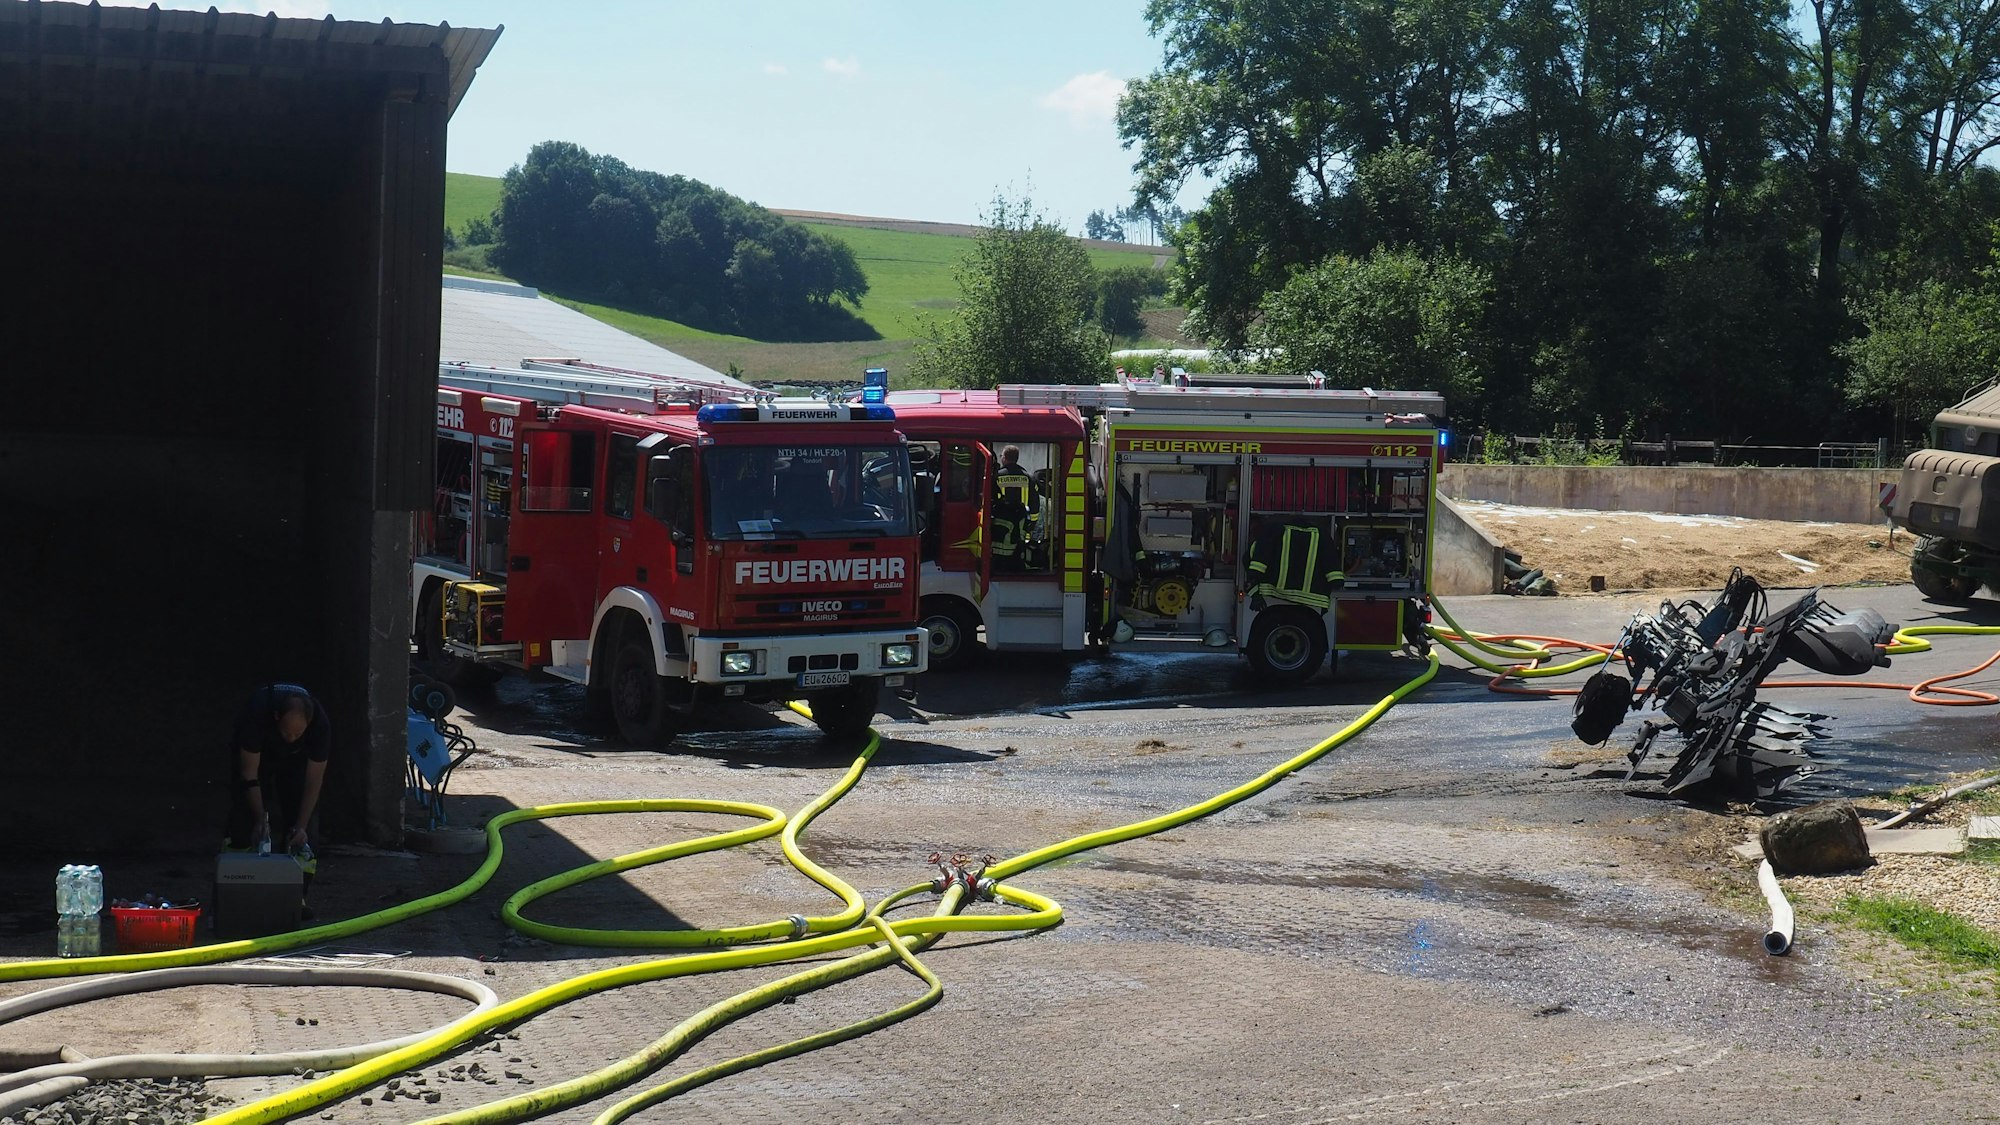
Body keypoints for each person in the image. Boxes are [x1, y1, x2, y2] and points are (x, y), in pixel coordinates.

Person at [226, 683, 329, 909]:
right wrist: (259, 818)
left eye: (297, 733)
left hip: (296, 763)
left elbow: (314, 781)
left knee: (304, 830)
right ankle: (238, 894)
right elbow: (249, 774)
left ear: (308, 725)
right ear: (275, 717)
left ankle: (295, 898)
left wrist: (301, 826)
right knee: (243, 820)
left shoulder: (320, 725)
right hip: (257, 758)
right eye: (286, 731)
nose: (291, 737)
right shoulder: (256, 715)